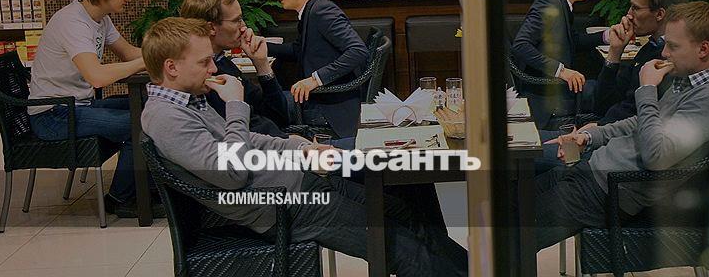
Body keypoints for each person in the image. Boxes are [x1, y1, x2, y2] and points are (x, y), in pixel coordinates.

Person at [139, 17, 467, 276]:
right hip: (284, 206)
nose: (213, 69)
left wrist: (299, 149)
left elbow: (247, 141)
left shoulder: (187, 101)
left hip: (296, 183)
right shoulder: (166, 118)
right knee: (401, 246)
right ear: (171, 67)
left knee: (404, 211)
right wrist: (236, 106)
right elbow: (232, 173)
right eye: (204, 62)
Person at [533, 2, 709, 250]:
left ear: (703, 49)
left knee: (514, 236)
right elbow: (641, 122)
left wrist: (647, 88)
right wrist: (589, 136)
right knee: (513, 203)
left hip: (608, 192)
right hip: (594, 170)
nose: (664, 54)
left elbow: (657, 156)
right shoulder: (687, 81)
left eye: (673, 46)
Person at [27, 0, 149, 217]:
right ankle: (122, 198)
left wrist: (166, 56)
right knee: (140, 124)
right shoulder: (73, 23)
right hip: (54, 115)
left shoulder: (99, 19)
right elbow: (97, 77)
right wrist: (144, 63)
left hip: (76, 106)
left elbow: (128, 53)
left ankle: (147, 187)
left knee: (150, 108)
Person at [267, 0, 369, 138]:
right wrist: (262, 46)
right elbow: (297, 50)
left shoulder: (321, 11)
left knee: (263, 107)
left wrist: (315, 80)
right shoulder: (310, 10)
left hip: (328, 108)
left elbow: (358, 51)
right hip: (320, 100)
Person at [179, 0, 298, 136]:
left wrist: (262, 64)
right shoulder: (201, 77)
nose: (243, 27)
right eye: (237, 20)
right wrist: (289, 145)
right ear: (211, 28)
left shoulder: (223, 62)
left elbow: (278, 118)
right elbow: (233, 140)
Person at [511, 0, 609, 128]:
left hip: (557, 92)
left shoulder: (561, 3)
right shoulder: (549, 4)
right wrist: (561, 71)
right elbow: (521, 45)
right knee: (611, 93)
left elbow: (573, 40)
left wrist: (606, 36)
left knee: (606, 90)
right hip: (548, 100)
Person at [591, 0, 688, 123]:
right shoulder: (649, 48)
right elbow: (603, 105)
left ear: (660, 14)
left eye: (635, 8)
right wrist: (615, 52)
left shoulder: (671, 58)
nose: (628, 15)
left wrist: (597, 129)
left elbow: (637, 116)